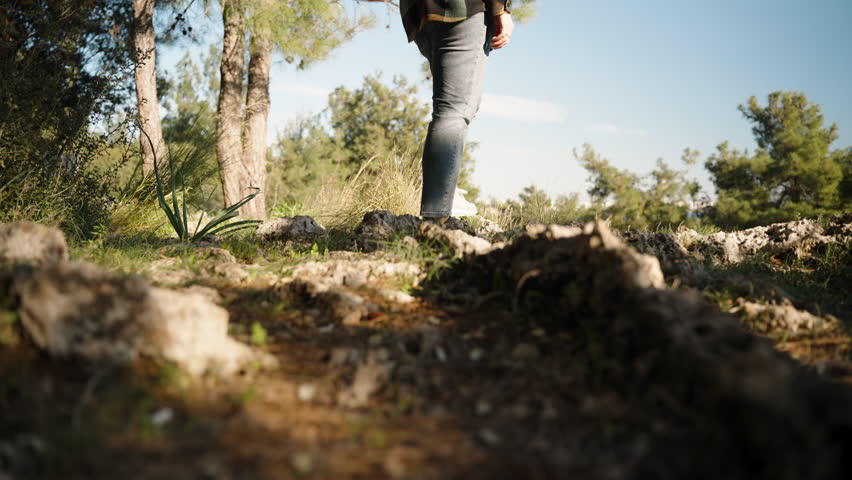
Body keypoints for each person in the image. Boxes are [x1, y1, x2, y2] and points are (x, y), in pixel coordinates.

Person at [400, 0, 514, 221]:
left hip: (419, 13)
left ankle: (445, 197)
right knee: (454, 110)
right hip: (463, 8)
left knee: (453, 105)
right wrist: (502, 8)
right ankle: (438, 215)